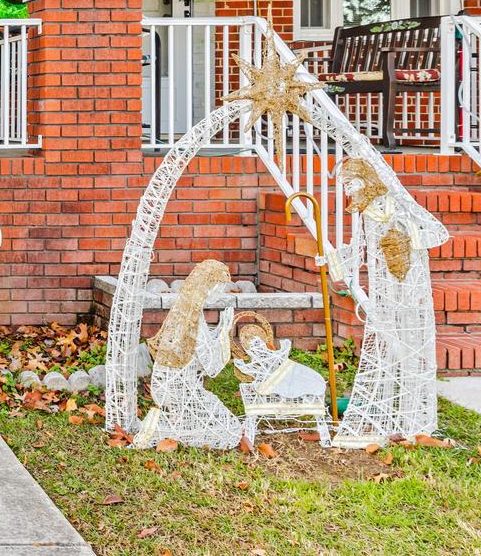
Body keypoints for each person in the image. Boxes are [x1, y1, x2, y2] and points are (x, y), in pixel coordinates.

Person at [326, 157, 449, 446]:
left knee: (412, 345)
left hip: (412, 286)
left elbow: (438, 233)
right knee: (384, 348)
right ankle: (390, 419)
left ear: (366, 180)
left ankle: (416, 421)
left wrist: (409, 237)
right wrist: (333, 262)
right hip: (385, 290)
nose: (348, 191)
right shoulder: (366, 214)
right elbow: (357, 250)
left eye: (351, 183)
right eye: (345, 186)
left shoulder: (400, 206)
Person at [133, 259, 244, 450]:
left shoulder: (187, 314)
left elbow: (205, 350)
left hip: (174, 387)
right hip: (176, 390)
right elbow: (212, 367)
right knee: (232, 432)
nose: (218, 295)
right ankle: (159, 430)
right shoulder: (194, 322)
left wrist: (220, 332)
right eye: (217, 289)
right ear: (206, 287)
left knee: (224, 425)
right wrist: (225, 331)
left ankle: (172, 426)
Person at [229, 312, 330, 444]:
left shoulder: (274, 355)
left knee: (305, 380)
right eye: (253, 346)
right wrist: (241, 364)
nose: (257, 347)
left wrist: (283, 348)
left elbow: (282, 357)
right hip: (271, 385)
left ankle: (321, 428)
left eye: (259, 343)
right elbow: (249, 371)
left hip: (292, 374)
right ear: (249, 350)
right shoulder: (254, 364)